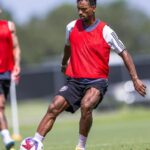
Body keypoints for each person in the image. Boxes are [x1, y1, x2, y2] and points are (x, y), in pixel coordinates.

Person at [23, 0, 146, 150]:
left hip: (97, 81)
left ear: (93, 8)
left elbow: (124, 53)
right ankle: (35, 143)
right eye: (78, 9)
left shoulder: (105, 30)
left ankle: (81, 146)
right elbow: (67, 46)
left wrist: (135, 79)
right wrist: (63, 64)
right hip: (75, 80)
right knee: (54, 106)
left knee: (86, 105)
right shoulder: (71, 27)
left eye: (84, 9)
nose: (80, 12)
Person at [0, 8, 21, 150]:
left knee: (1, 107)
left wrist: (17, 65)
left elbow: (16, 47)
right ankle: (6, 136)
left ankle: (5, 134)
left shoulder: (9, 26)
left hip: (6, 72)